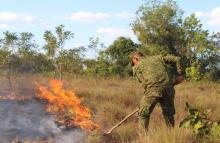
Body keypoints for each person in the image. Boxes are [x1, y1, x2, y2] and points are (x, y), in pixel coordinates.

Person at [131, 51, 185, 132]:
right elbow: (177, 59)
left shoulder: (137, 66)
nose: (134, 64)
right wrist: (180, 73)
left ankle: (143, 138)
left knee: (143, 114)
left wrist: (145, 100)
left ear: (135, 58)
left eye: (133, 62)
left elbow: (144, 84)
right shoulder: (158, 58)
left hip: (152, 91)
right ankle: (171, 135)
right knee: (168, 114)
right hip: (168, 89)